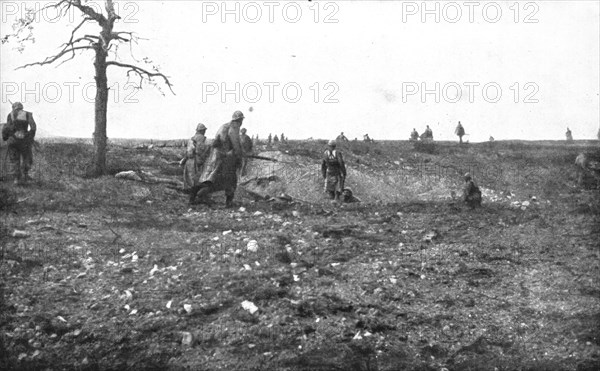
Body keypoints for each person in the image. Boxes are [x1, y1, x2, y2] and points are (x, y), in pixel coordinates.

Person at [189, 111, 245, 207]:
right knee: (230, 180)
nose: (241, 122)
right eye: (241, 120)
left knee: (211, 179)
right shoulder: (234, 127)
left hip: (216, 156)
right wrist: (239, 156)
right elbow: (235, 144)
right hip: (225, 158)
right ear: (239, 120)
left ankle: (194, 196)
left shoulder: (224, 126)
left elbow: (217, 142)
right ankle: (228, 202)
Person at [2, 102, 36, 184]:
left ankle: (16, 179)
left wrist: (6, 137)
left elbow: (6, 128)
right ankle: (25, 176)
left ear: (13, 107)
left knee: (14, 159)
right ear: (21, 107)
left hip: (13, 140)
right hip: (25, 141)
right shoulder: (28, 114)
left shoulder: (10, 115)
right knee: (26, 158)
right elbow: (33, 127)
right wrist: (29, 136)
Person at [182, 123, 209, 193]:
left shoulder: (192, 138)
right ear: (202, 130)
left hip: (189, 159)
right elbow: (200, 150)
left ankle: (189, 192)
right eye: (204, 130)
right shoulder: (201, 138)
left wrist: (184, 159)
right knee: (196, 178)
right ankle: (194, 195)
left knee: (189, 177)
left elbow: (188, 151)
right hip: (196, 160)